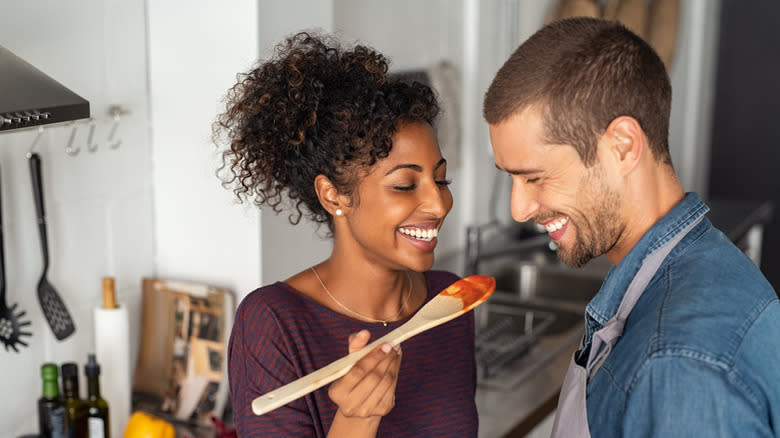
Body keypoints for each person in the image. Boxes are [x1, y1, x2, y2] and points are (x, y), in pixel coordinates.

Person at [483, 17, 780, 437]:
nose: (518, 208)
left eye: (534, 177)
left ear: (622, 147)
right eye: (509, 178)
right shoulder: (701, 261)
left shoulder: (678, 365)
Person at [216, 33, 478, 437]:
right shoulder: (274, 323)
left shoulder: (450, 303)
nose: (440, 205)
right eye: (406, 185)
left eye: (441, 179)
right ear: (333, 195)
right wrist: (357, 420)